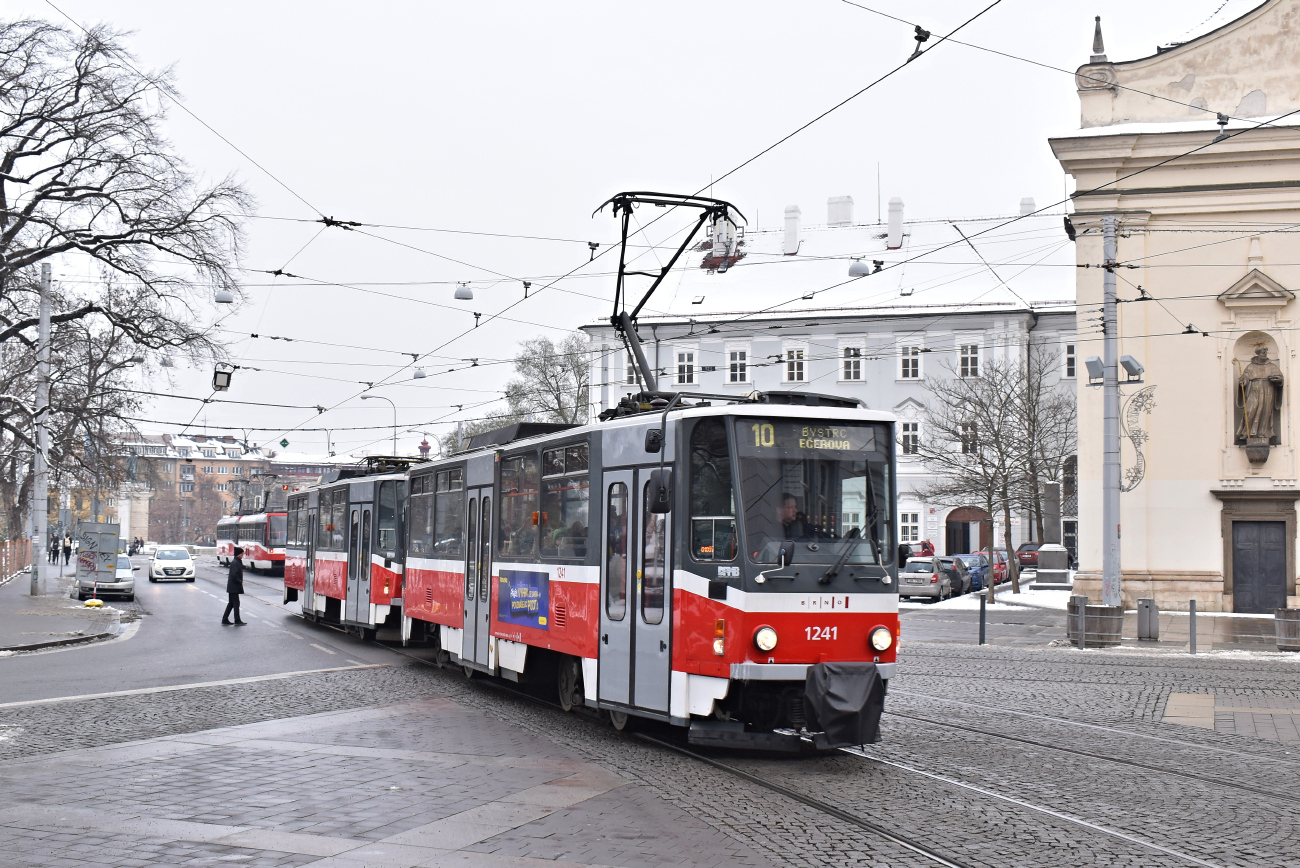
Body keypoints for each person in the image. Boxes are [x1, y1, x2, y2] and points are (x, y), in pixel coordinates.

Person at [223, 546, 247, 626]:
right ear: (238, 554)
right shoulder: (236, 563)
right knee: (236, 603)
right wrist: (239, 581)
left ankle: (225, 619)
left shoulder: (236, 561)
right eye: (242, 553)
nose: (243, 555)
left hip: (232, 586)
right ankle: (237, 620)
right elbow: (235, 575)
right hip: (234, 586)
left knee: (231, 603)